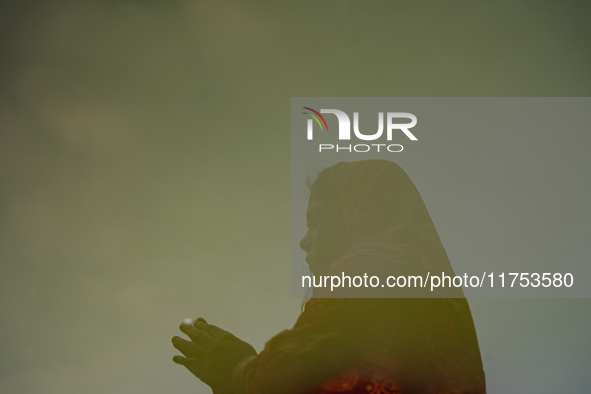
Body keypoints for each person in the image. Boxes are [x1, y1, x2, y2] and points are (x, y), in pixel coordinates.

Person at [172, 160, 486, 394]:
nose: (305, 240)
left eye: (316, 220)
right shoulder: (428, 288)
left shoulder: (368, 266)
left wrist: (237, 368)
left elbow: (301, 364)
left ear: (353, 212)